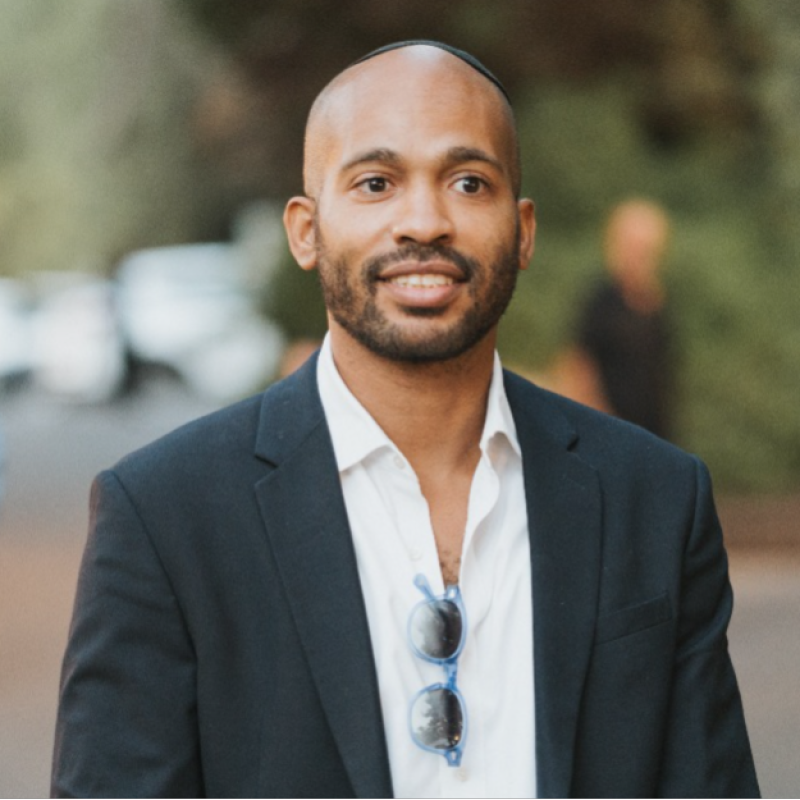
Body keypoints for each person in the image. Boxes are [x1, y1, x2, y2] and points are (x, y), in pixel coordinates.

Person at [52, 41, 759, 799]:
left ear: (522, 230)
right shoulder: (165, 516)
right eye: (376, 182)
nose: (424, 221)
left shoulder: (655, 499)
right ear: (305, 230)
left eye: (467, 181)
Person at [565, 199, 674, 439]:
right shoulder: (602, 301)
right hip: (610, 432)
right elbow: (578, 367)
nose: (638, 258)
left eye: (645, 250)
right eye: (632, 248)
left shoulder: (658, 305)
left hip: (651, 435)